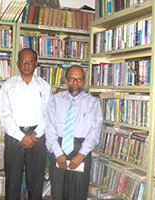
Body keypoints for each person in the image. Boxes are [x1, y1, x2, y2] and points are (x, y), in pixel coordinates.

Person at [0, 48, 51, 200]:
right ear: (17, 63)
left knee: (35, 181)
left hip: (37, 136)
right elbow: (5, 115)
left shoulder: (44, 86)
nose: (27, 65)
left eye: (30, 62)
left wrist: (34, 135)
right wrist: (21, 136)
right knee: (13, 181)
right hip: (14, 136)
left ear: (36, 64)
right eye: (23, 61)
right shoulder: (8, 86)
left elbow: (48, 115)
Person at [45, 65, 103, 200]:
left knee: (78, 192)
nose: (75, 82)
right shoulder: (55, 100)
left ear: (83, 81)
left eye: (79, 79)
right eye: (72, 79)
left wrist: (81, 154)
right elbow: (49, 128)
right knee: (58, 191)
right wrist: (58, 154)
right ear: (65, 80)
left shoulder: (92, 103)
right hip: (58, 148)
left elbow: (95, 131)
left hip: (81, 149)